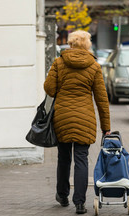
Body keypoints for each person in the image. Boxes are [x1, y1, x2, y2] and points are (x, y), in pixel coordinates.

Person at [44, 30, 111, 214]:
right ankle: (80, 203)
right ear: (87, 45)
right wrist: (106, 128)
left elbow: (49, 89)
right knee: (81, 159)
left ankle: (62, 194)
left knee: (64, 157)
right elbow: (101, 99)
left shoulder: (59, 62)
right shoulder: (94, 66)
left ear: (71, 43)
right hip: (85, 118)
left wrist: (55, 75)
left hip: (63, 117)